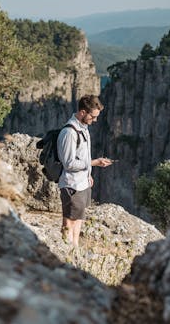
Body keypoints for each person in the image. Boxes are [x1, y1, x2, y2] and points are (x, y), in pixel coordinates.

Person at [57, 95, 112, 247]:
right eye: (93, 116)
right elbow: (69, 163)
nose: (95, 120)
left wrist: (88, 175)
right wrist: (94, 163)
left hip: (82, 183)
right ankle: (66, 251)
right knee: (69, 221)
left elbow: (82, 156)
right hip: (72, 185)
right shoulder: (69, 133)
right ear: (82, 112)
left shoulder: (84, 129)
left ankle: (75, 250)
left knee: (78, 219)